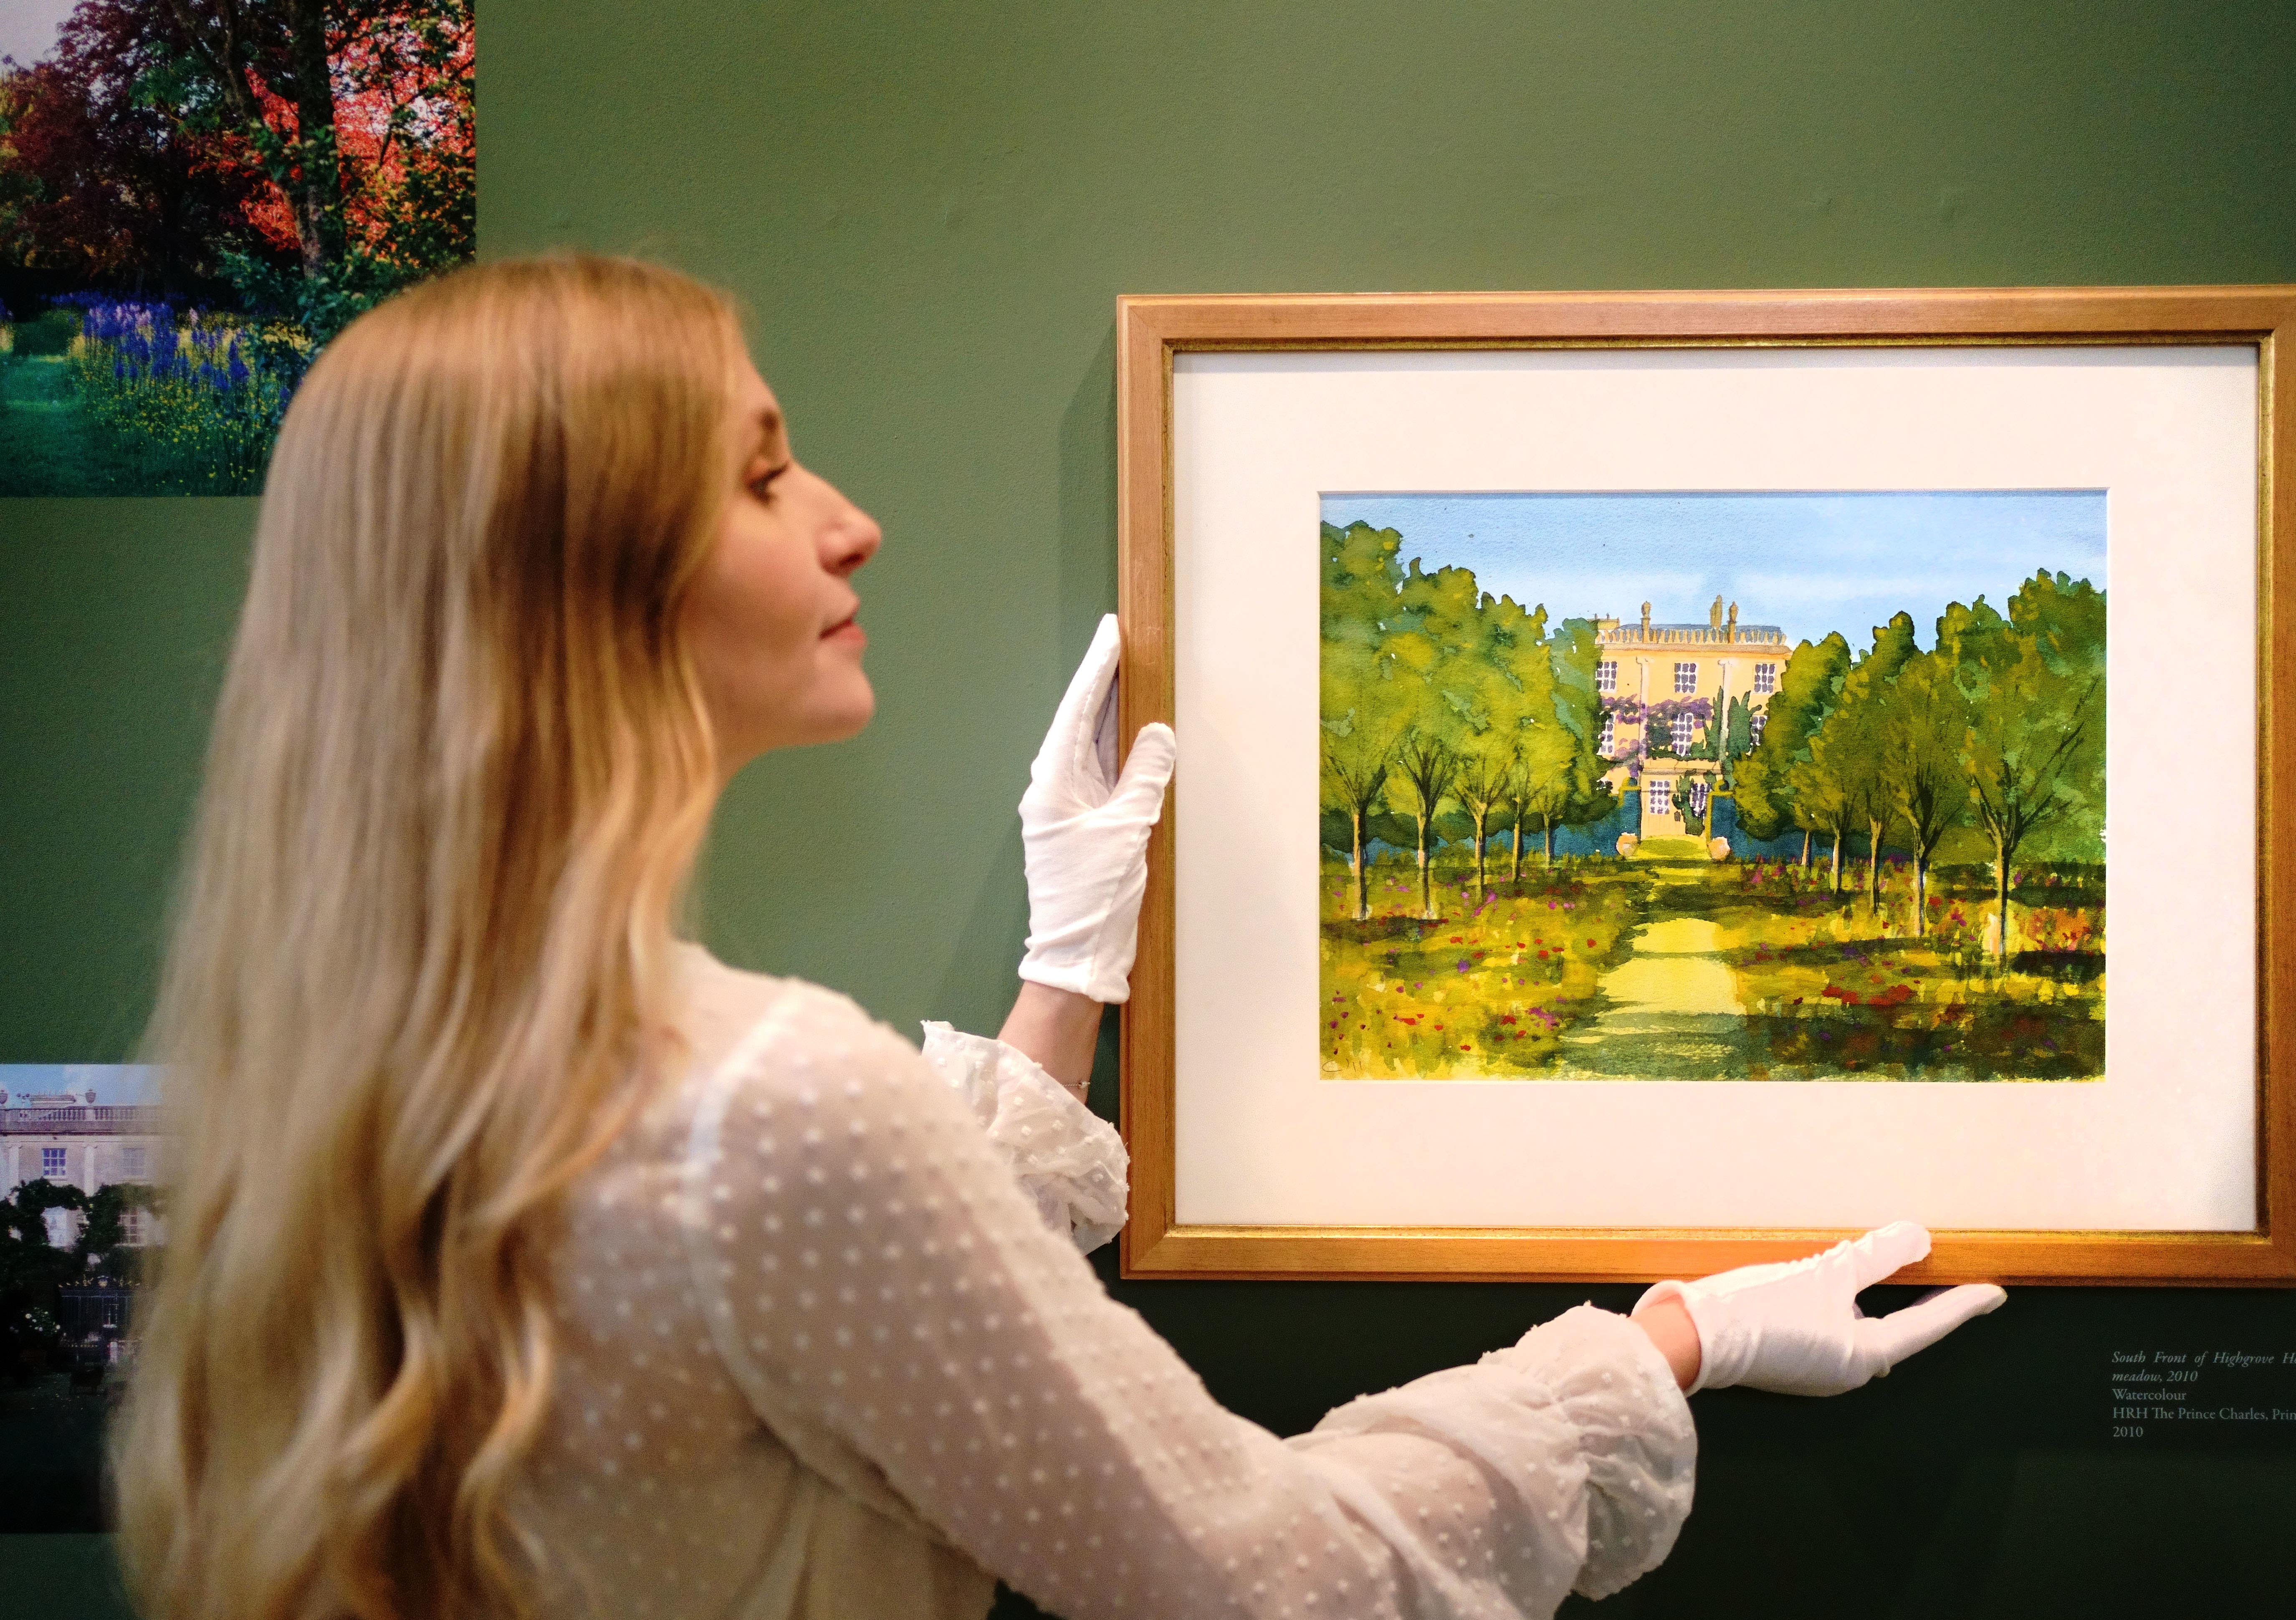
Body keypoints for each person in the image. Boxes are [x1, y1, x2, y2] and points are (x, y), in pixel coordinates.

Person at [112, 256, 2005, 1620]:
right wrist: (1668, 1338)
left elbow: (827, 1328)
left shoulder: (354, 1076)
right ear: (580, 582)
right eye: (765, 473)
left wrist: (1069, 967)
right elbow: (1279, 1577)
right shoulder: (767, 1110)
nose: (851, 524)